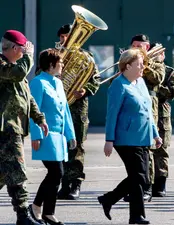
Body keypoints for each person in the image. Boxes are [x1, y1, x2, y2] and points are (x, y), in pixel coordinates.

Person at [97, 48, 162, 224]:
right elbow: (112, 115)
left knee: (140, 178)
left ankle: (130, 212)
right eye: (139, 64)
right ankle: (120, 205)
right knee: (140, 177)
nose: (143, 67)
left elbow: (148, 111)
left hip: (143, 137)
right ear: (127, 66)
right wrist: (108, 140)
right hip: (125, 139)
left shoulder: (139, 81)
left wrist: (155, 134)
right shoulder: (118, 85)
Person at [0, 30, 49, 225]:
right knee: (18, 172)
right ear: (14, 48)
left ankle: (22, 215)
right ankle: (23, 216)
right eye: (22, 50)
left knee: (5, 174)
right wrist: (29, 55)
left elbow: (27, 97)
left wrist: (39, 118)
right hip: (6, 129)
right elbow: (19, 74)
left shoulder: (16, 68)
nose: (25, 54)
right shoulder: (4, 66)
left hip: (16, 129)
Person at [28, 49, 76, 225]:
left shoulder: (58, 83)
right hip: (46, 135)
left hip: (59, 137)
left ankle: (47, 211)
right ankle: (37, 207)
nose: (62, 65)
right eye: (60, 62)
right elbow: (34, 111)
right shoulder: (38, 83)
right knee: (56, 172)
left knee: (56, 174)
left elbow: (66, 112)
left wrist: (70, 135)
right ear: (51, 64)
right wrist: (36, 135)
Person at [56, 24, 101, 200]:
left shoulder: (86, 58)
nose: (65, 40)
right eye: (62, 37)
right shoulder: (53, 55)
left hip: (77, 108)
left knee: (77, 147)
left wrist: (85, 90)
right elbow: (40, 74)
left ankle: (75, 183)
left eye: (69, 36)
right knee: (59, 145)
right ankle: (63, 183)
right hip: (58, 108)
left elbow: (95, 80)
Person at [130, 34, 165, 200]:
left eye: (141, 46)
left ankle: (146, 188)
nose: (138, 48)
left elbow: (157, 79)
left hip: (148, 104)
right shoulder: (125, 62)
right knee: (132, 149)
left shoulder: (156, 62)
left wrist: (144, 64)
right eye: (135, 45)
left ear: (148, 47)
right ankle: (135, 186)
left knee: (147, 148)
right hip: (129, 106)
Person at [149, 43, 174, 197]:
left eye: (160, 53)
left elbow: (171, 93)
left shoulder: (169, 71)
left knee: (162, 151)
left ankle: (160, 184)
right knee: (147, 150)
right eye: (154, 52)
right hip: (148, 113)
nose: (157, 55)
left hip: (162, 114)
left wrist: (156, 83)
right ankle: (148, 182)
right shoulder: (143, 69)